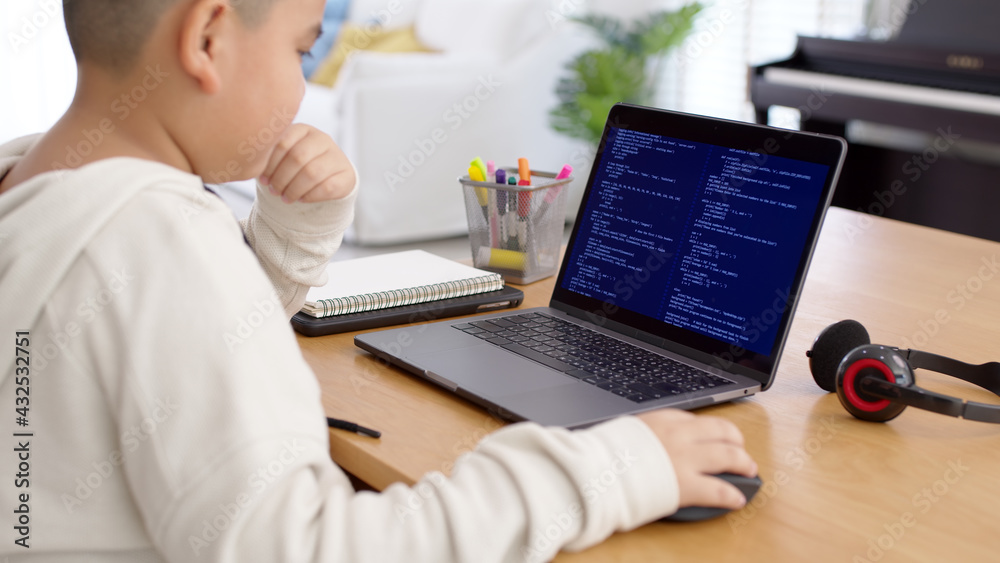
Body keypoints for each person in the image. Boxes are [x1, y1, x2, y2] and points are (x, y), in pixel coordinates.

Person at [0, 0, 757, 560]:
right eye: (303, 50)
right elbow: (305, 548)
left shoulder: (33, 190)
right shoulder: (164, 241)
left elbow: (165, 367)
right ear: (206, 38)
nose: (303, 84)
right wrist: (612, 467)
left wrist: (293, 229)